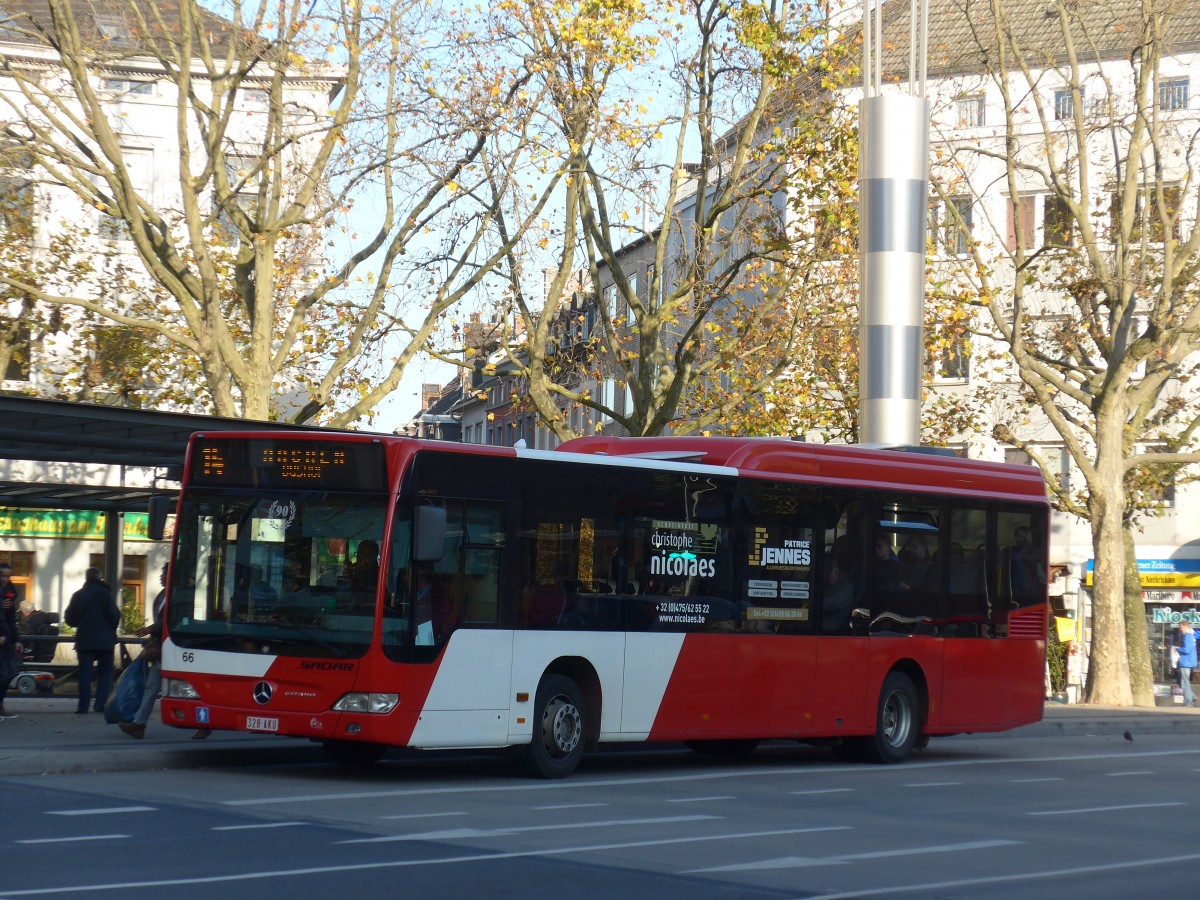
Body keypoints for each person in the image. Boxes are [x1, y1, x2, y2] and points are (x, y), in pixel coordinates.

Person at [119, 563, 167, 739]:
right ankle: (139, 724)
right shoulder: (163, 595)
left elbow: (169, 620)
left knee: (180, 688)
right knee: (151, 686)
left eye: (164, 573)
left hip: (173, 648)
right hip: (160, 649)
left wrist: (150, 629)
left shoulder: (177, 595)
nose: (160, 577)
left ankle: (205, 723)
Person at [64, 567, 120, 716]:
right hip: (105, 640)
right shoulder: (106, 594)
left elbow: (69, 618)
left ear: (86, 578)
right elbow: (115, 615)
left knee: (84, 673)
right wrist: (109, 629)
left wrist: (81, 624)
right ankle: (100, 705)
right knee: (105, 673)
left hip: (85, 639)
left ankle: (83, 707)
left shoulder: (78, 595)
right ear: (99, 578)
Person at [0, 563, 24, 720]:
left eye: (8, 576)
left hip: (6, 639)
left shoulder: (9, 593)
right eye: (3, 575)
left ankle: (0, 704)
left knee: (10, 671)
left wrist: (16, 640)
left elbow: (11, 619)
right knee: (3, 672)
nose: (6, 579)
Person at [821, 556, 855, 633]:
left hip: (834, 629)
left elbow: (832, 603)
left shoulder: (846, 589)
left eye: (828, 572)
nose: (825, 575)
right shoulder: (829, 586)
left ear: (837, 572)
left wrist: (811, 602)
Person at [1177, 620, 1198, 707]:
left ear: (1185, 626)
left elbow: (1186, 650)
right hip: (1187, 662)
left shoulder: (1187, 636)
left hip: (1186, 662)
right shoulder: (1190, 636)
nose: (1180, 629)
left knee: (1185, 683)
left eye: (1180, 627)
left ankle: (1189, 702)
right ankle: (1192, 697)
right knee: (1182, 682)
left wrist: (1177, 649)